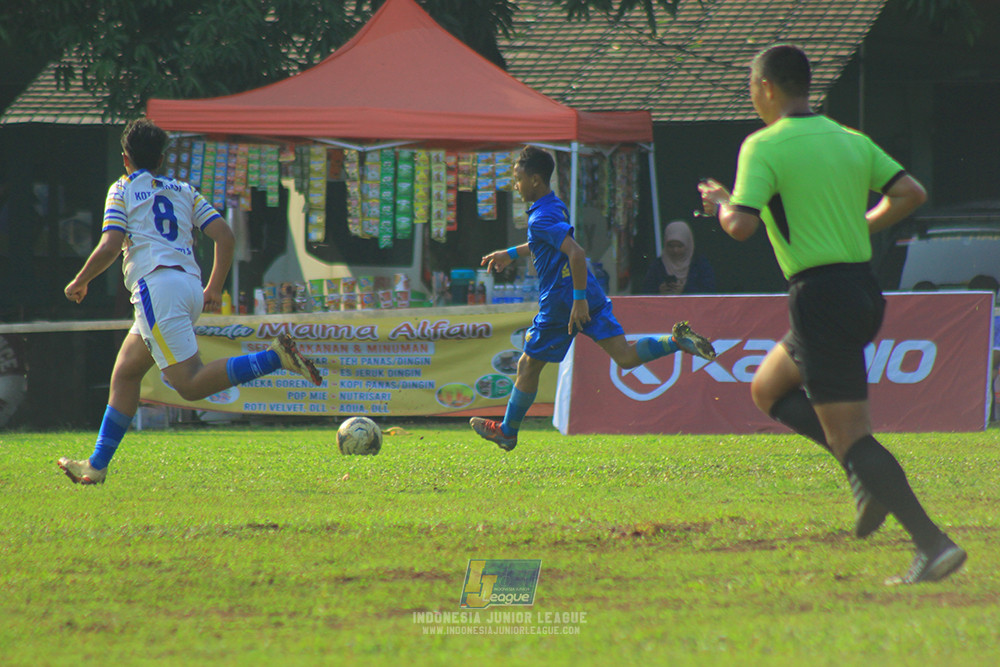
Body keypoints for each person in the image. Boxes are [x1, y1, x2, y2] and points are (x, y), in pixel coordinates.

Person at [698, 45, 965, 585]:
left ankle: (931, 543)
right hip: (861, 291)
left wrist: (723, 203)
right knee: (766, 389)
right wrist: (854, 229)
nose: (752, 95)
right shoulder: (849, 139)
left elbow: (742, 226)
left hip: (820, 297)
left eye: (752, 85)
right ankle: (866, 479)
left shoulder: (763, 145)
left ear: (767, 87)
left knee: (853, 438)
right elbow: (911, 193)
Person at [58, 118, 322, 485]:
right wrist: (213, 287)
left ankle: (274, 357)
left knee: (190, 384)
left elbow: (110, 243)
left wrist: (80, 280)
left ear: (125, 159)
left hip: (157, 289)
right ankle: (96, 465)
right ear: (163, 159)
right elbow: (225, 236)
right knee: (126, 372)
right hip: (186, 285)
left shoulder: (122, 188)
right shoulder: (184, 190)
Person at [470, 146, 717, 450]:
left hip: (563, 302)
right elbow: (547, 242)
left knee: (527, 366)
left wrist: (577, 301)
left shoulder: (540, 217)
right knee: (624, 356)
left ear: (535, 180)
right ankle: (676, 342)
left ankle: (507, 431)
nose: (516, 184)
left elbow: (576, 252)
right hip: (588, 291)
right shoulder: (553, 206)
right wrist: (509, 254)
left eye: (518, 178)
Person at [640, 220, 716, 294]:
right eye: (671, 246)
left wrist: (685, 290)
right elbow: (646, 292)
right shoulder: (657, 265)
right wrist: (659, 291)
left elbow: (709, 291)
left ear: (688, 244)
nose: (675, 250)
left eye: (680, 246)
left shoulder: (700, 264)